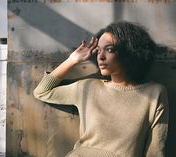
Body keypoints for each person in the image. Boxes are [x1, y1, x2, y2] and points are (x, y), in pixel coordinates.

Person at [33, 21, 169, 157]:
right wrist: (72, 60)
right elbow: (42, 92)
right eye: (98, 50)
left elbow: (155, 151)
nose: (100, 57)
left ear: (129, 51)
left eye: (109, 49)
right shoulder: (88, 88)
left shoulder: (155, 93)